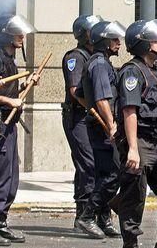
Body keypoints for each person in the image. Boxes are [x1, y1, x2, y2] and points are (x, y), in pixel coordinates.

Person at [115, 19, 157, 248]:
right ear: (142, 43)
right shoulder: (132, 73)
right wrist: (133, 149)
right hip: (140, 142)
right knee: (135, 196)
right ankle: (130, 243)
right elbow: (129, 111)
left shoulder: (155, 72)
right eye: (155, 39)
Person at [0, 14, 38, 246]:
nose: (21, 36)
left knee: (11, 178)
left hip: (9, 125)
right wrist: (9, 102)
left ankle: (0, 222)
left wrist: (25, 84)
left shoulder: (10, 61)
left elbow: (10, 90)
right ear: (5, 35)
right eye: (16, 33)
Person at [75, 20, 126, 239]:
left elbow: (80, 93)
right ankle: (87, 217)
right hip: (104, 128)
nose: (118, 43)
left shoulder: (100, 62)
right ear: (103, 41)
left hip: (101, 126)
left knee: (105, 175)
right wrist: (111, 126)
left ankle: (102, 219)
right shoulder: (99, 64)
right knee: (112, 175)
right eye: (114, 39)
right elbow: (103, 99)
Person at [61, 15, 101, 231]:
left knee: (94, 163)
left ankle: (86, 215)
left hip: (92, 117)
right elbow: (75, 92)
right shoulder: (75, 57)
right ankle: (85, 215)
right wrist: (96, 110)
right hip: (79, 117)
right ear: (84, 34)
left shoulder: (95, 56)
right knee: (88, 165)